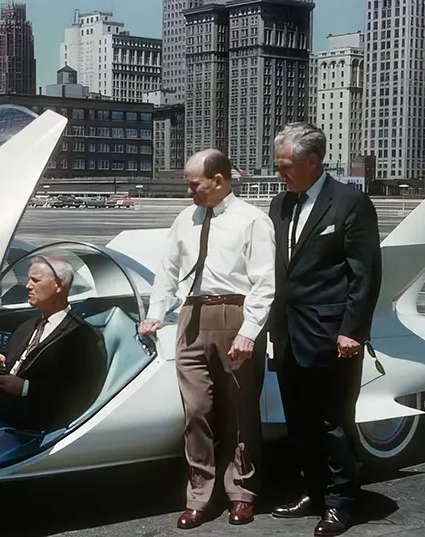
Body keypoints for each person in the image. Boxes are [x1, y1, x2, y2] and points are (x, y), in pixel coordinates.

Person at [139, 149, 276, 529]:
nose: (189, 191)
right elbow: (167, 271)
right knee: (196, 411)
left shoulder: (253, 221)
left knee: (238, 411)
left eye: (193, 183)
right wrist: (155, 314)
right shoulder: (185, 219)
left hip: (236, 314)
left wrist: (249, 331)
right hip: (192, 317)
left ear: (219, 181)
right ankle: (200, 495)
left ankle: (242, 493)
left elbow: (265, 282)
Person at [267, 122, 382, 537]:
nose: (280, 173)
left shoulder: (350, 203)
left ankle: (342, 501)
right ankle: (313, 491)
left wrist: (353, 329)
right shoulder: (280, 203)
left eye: (285, 166)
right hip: (287, 334)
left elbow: (364, 275)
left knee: (334, 423)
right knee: (299, 421)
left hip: (333, 336)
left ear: (313, 161)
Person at [0, 256, 108, 433]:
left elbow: (82, 393)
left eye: (35, 280)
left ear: (58, 285)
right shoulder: (27, 326)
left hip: (35, 414)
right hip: (1, 400)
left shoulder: (82, 335)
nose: (27, 286)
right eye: (28, 279)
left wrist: (25, 388)